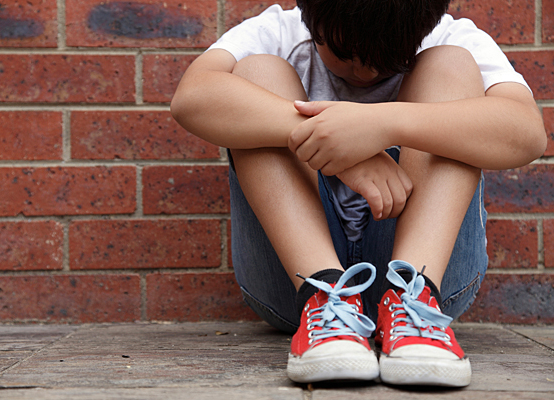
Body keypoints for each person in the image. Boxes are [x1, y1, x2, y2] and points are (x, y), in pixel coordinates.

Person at [171, 0, 546, 387]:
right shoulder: (278, 32)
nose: (365, 70)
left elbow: (528, 133)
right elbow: (192, 97)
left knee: (450, 65)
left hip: (429, 274)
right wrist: (329, 143)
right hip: (293, 285)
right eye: (346, 53)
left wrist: (383, 125)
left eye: (389, 59)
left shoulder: (449, 35)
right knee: (256, 71)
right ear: (310, 20)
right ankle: (325, 297)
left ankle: (412, 299)